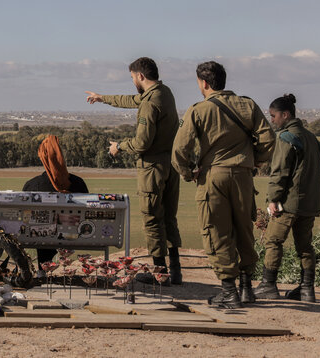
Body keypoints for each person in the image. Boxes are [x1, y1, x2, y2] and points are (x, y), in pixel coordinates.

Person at [171, 61, 275, 308]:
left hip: (213, 177)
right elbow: (268, 139)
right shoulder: (248, 105)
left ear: (204, 83)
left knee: (216, 232)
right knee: (244, 229)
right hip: (243, 176)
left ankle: (229, 291)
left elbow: (179, 150)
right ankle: (247, 287)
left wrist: (189, 173)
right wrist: (255, 161)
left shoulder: (198, 110)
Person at [86, 57, 183, 284]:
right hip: (171, 164)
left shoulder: (149, 103)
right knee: (169, 218)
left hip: (152, 168)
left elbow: (142, 143)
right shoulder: (164, 93)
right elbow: (131, 100)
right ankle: (176, 270)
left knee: (152, 218)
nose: (132, 81)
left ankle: (160, 273)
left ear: (140, 76)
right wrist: (103, 98)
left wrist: (119, 146)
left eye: (132, 77)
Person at [255, 94, 320, 303]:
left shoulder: (286, 137)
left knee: (273, 240)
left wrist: (273, 199)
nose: (272, 120)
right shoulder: (312, 138)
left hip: (289, 202)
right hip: (310, 202)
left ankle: (268, 285)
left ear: (285, 115)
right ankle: (307, 290)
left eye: (274, 116)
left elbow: (280, 172)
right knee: (305, 246)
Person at [22, 135, 89, 268]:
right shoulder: (78, 183)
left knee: (41, 228)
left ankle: (43, 268)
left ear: (42, 158)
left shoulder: (32, 185)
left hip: (41, 238)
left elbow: (25, 218)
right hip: (73, 236)